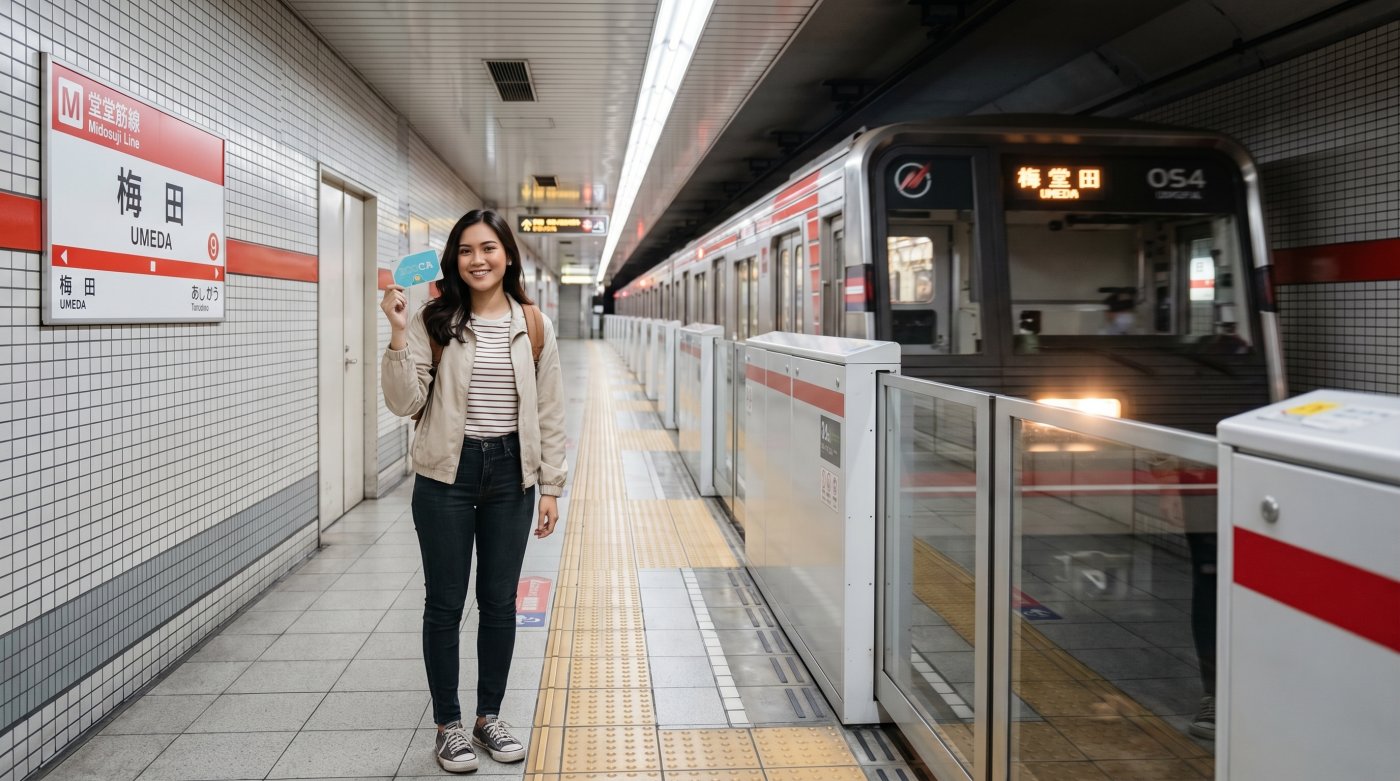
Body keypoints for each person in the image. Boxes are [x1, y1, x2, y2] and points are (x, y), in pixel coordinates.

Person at [379, 209, 567, 773]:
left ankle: (489, 717)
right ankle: (449, 726)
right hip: (447, 474)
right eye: (465, 250)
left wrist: (551, 486)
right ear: (452, 260)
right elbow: (403, 402)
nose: (477, 260)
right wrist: (397, 333)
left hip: (512, 474)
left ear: (507, 255)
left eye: (488, 248)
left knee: (499, 602)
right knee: (444, 603)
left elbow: (551, 411)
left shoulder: (533, 325)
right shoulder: (433, 320)